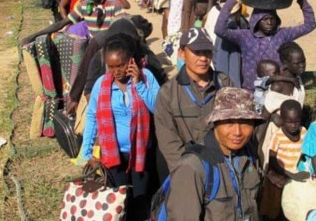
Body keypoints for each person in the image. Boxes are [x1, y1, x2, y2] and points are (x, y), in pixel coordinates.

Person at [79, 34, 160, 221]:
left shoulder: (147, 78)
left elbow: (157, 107)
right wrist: (87, 151)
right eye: (111, 66)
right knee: (117, 201)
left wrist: (138, 83)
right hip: (113, 155)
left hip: (140, 153)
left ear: (132, 60)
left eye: (121, 65)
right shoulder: (102, 84)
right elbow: (92, 117)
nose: (116, 71)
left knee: (140, 200)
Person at [164, 87, 263, 220]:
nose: (238, 132)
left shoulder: (249, 156)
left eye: (245, 123)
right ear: (215, 122)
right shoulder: (192, 167)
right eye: (229, 122)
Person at [154, 27, 232, 176]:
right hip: (185, 170)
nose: (203, 58)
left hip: (221, 168)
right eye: (197, 52)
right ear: (181, 53)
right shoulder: (168, 93)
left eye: (207, 52)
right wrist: (188, 172)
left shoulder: (225, 84)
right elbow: (169, 142)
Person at [214, 0, 316, 90]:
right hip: (251, 90)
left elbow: (310, 24)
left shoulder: (282, 34)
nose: (269, 22)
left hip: (278, 89)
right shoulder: (245, 37)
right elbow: (220, 29)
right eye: (265, 19)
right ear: (256, 21)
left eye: (272, 19)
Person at [20, 0, 128, 44]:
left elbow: (124, 27)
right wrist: (33, 36)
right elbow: (62, 23)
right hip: (93, 48)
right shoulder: (84, 6)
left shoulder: (114, 5)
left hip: (112, 45)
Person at [260, 99, 308, 220]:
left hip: (294, 176)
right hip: (278, 178)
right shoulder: (278, 136)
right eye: (289, 122)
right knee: (274, 209)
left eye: (296, 121)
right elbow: (272, 161)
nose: (293, 125)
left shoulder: (303, 132)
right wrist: (290, 175)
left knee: (291, 208)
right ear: (282, 119)